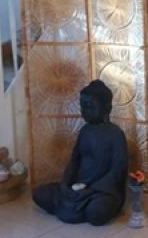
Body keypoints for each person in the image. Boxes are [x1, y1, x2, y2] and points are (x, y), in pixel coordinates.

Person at [32, 79, 128, 226]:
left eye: (90, 106)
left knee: (97, 211)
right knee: (40, 194)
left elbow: (117, 171)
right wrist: (65, 183)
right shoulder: (85, 131)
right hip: (78, 186)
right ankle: (76, 204)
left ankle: (85, 206)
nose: (84, 111)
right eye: (82, 106)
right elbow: (74, 161)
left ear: (107, 108)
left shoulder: (115, 134)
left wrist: (92, 189)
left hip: (102, 191)